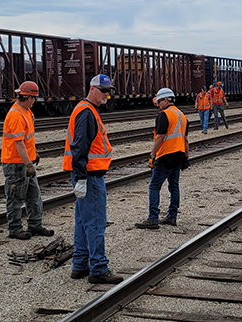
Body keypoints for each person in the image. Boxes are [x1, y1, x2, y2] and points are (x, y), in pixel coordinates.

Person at [63, 74, 123, 284]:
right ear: (92, 88)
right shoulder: (87, 112)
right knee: (95, 222)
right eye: (103, 90)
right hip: (90, 176)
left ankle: (80, 265)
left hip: (85, 174)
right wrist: (80, 177)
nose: (107, 94)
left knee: (82, 221)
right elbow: (79, 146)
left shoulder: (85, 110)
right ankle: (98, 268)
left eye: (109, 91)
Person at [1, 81, 54, 240]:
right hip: (16, 164)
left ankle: (35, 225)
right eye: (34, 98)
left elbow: (26, 140)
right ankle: (15, 229)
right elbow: (18, 143)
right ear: (29, 97)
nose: (35, 101)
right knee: (15, 197)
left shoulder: (26, 112)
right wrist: (28, 164)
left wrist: (33, 154)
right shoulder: (16, 115)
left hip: (24, 161)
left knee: (34, 196)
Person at [135, 88, 190, 229]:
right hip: (179, 156)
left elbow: (160, 137)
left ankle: (153, 218)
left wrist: (152, 155)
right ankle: (172, 217)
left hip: (165, 156)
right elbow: (185, 139)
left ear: (166, 100)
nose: (158, 104)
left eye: (159, 101)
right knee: (174, 187)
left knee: (154, 187)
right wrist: (186, 157)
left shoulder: (164, 115)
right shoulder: (181, 115)